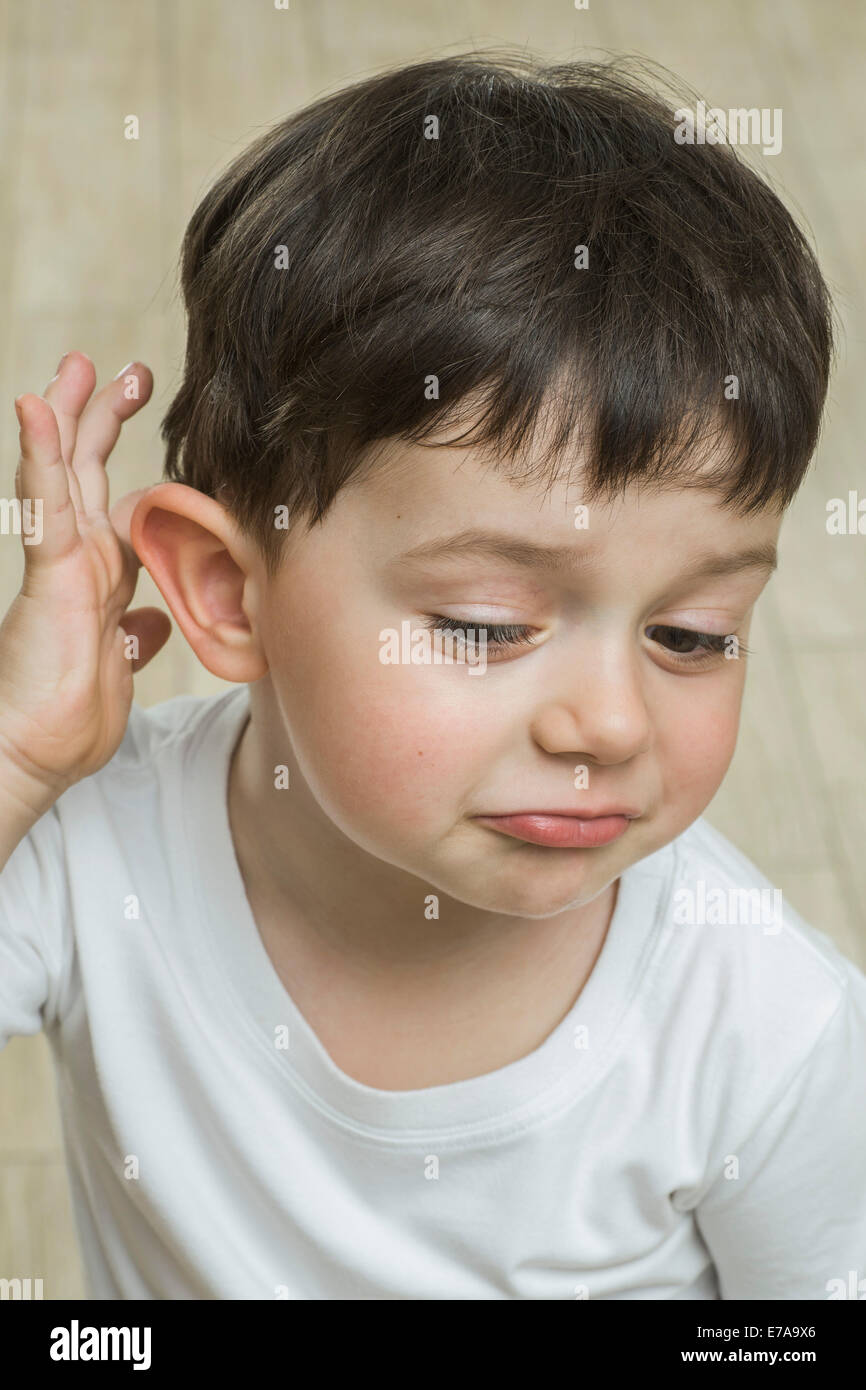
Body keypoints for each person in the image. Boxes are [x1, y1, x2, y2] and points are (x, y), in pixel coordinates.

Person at [1, 52, 864, 1300]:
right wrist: (21, 753)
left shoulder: (763, 1035)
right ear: (228, 593)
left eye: (691, 632)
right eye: (481, 622)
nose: (609, 721)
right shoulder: (88, 854)